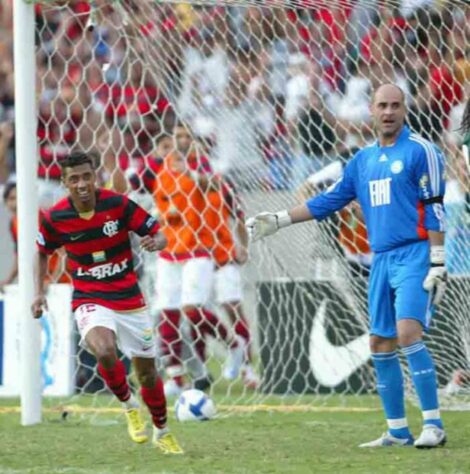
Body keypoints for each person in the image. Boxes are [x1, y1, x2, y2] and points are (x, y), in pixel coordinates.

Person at [247, 84, 448, 449]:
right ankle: (397, 429)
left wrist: (438, 259)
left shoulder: (422, 151)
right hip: (380, 259)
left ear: (404, 110)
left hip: (415, 254)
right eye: (382, 106)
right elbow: (328, 200)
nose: (388, 112)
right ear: (371, 111)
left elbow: (435, 205)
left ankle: (433, 424)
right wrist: (279, 219)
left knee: (407, 333)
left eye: (395, 106)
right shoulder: (361, 161)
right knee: (379, 341)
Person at [31, 152, 183, 454]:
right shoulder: (54, 217)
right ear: (64, 183)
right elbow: (41, 252)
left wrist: (157, 242)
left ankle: (162, 430)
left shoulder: (118, 204)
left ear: (94, 176)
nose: (82, 183)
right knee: (103, 349)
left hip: (129, 298)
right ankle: (128, 404)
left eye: (86, 176)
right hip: (89, 296)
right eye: (74, 179)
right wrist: (39, 292)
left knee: (147, 374)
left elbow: (159, 234)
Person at [152, 123, 244, 396]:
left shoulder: (203, 166)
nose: (180, 140)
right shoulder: (163, 170)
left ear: (194, 141)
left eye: (186, 136)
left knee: (191, 309)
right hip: (169, 249)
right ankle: (176, 379)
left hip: (198, 248)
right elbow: (159, 201)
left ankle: (234, 343)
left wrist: (191, 174)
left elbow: (215, 184)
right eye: (176, 135)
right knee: (167, 313)